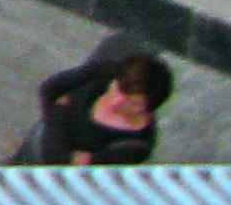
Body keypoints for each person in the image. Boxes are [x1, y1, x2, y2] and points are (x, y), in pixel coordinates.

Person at [38, 52, 173, 164]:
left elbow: (60, 161)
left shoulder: (135, 145)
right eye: (117, 90)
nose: (117, 102)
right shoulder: (105, 72)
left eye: (133, 103)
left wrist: (59, 113)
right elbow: (50, 88)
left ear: (149, 108)